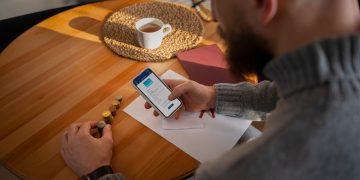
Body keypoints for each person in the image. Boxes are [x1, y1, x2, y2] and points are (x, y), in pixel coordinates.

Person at [60, 0, 360, 179]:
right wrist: (214, 96)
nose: (215, 17)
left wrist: (97, 171)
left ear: (261, 3)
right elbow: (292, 91)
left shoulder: (248, 170)